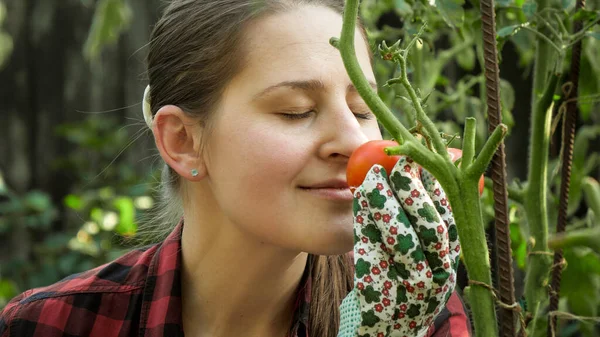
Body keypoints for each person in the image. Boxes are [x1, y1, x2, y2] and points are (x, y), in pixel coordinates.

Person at [0, 1, 471, 336]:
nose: (354, 142)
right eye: (295, 110)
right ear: (183, 142)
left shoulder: (412, 312)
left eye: (363, 109)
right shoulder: (50, 325)